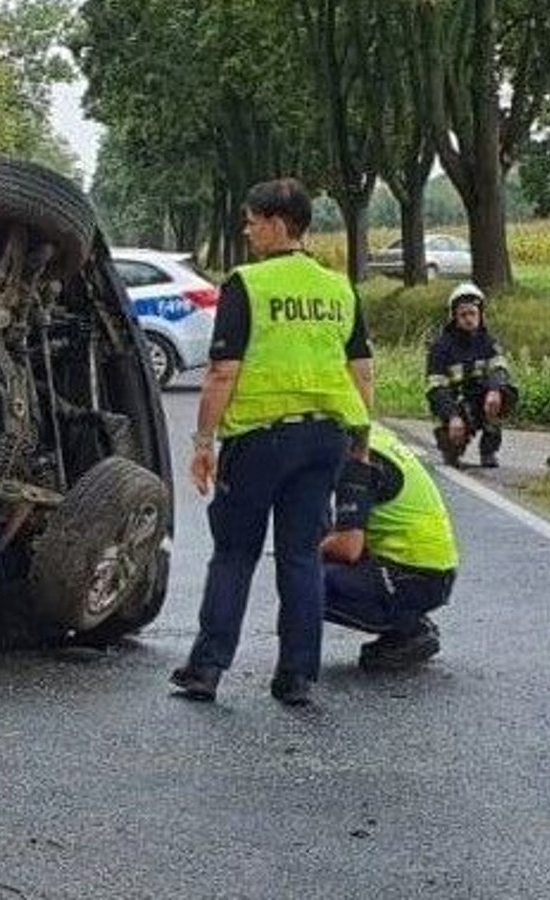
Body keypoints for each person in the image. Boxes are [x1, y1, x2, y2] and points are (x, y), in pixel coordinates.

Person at [171, 179, 374, 707]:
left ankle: (207, 669)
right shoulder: (339, 288)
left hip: (260, 440)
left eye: (251, 219)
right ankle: (297, 677)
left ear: (278, 224)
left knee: (234, 553)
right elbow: (363, 372)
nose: (246, 228)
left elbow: (222, 371)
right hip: (325, 438)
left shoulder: (247, 284)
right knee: (302, 556)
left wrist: (202, 442)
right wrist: (362, 439)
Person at [321, 423, 457, 670]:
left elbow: (349, 546)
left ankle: (408, 629)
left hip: (411, 574)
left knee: (305, 578)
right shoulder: (373, 436)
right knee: (318, 555)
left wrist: (301, 550)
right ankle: (410, 621)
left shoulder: (358, 457)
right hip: (431, 569)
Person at [426, 283, 517, 468]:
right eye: (463, 314)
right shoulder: (440, 348)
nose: (469, 319)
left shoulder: (489, 343)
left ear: (480, 314)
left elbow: (499, 370)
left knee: (503, 394)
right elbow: (436, 389)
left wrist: (495, 390)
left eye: (473, 313)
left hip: (482, 399)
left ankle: (489, 451)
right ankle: (451, 448)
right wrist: (452, 416)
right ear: (454, 317)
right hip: (456, 405)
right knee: (451, 451)